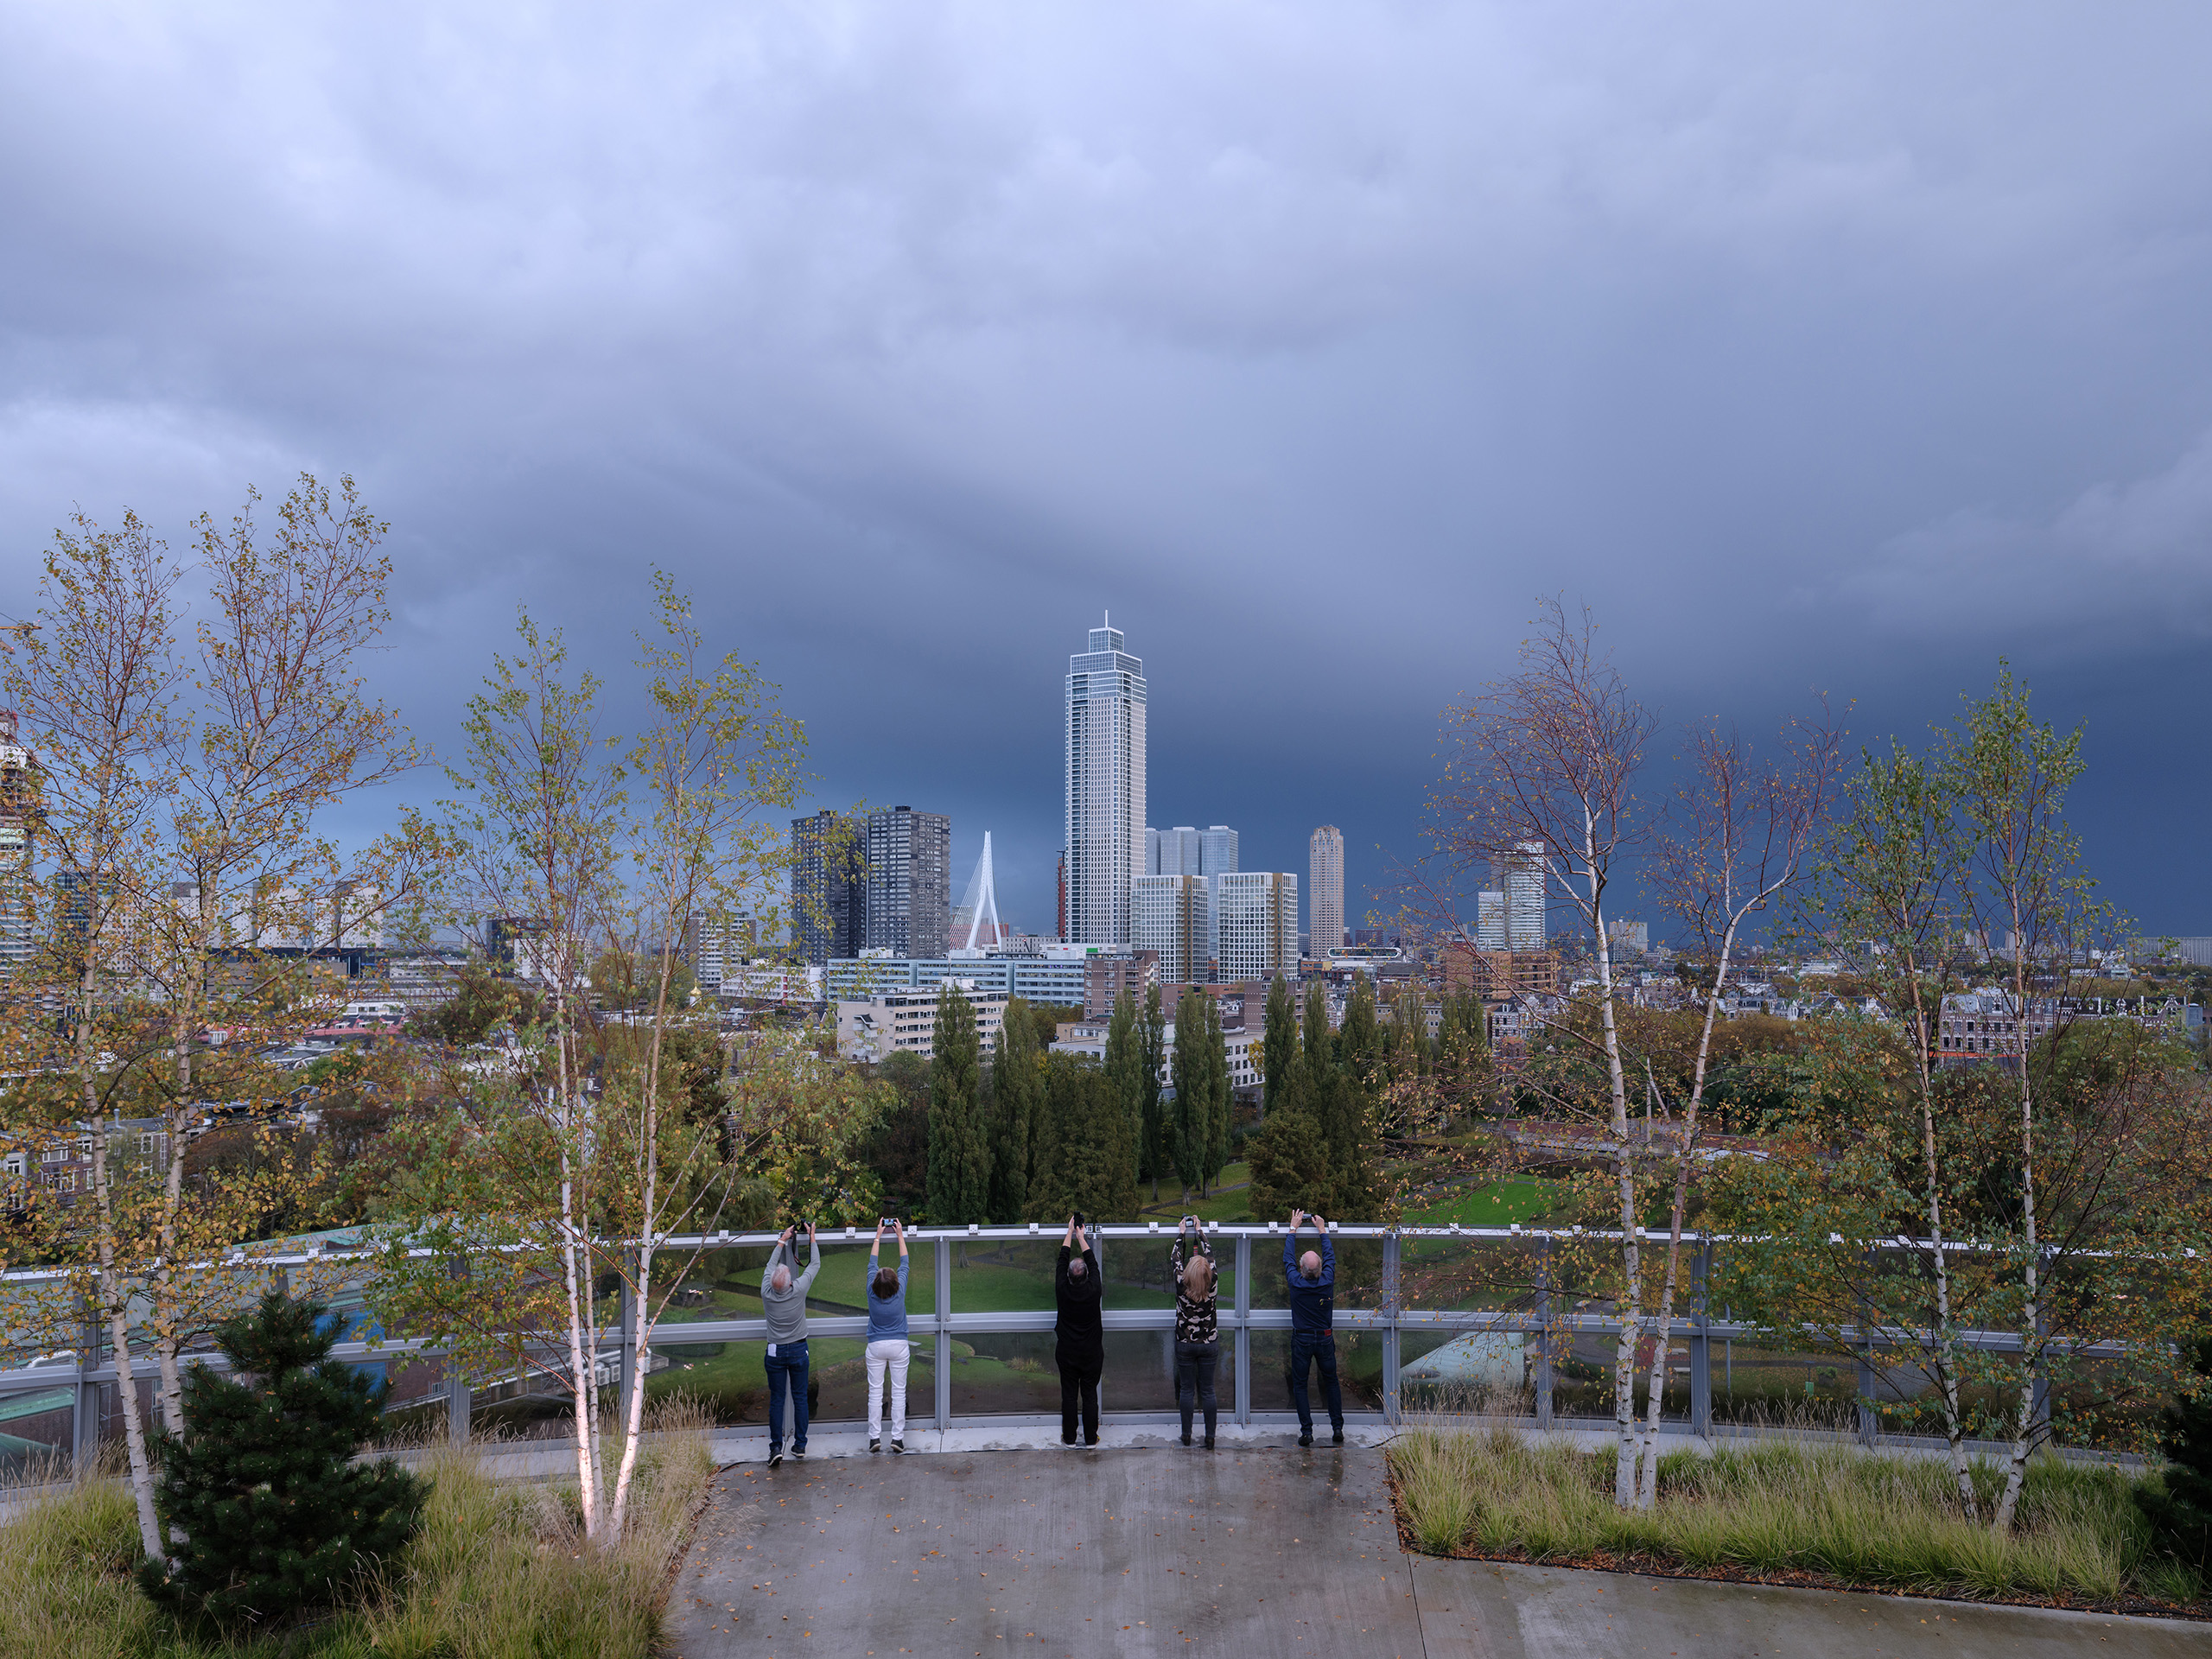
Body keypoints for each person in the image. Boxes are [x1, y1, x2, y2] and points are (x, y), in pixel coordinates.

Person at [761, 1221, 821, 1469]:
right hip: (798, 1349)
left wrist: (783, 1239)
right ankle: (800, 1444)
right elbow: (815, 1265)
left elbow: (769, 1266)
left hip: (774, 1352)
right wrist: (812, 1237)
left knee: (777, 1399)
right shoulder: (798, 1290)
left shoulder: (766, 1292)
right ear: (788, 1283)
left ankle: (776, 1446)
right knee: (800, 1398)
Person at [1284, 1208, 1344, 1447]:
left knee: (1300, 1384)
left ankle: (1307, 1432)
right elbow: (1330, 1257)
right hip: (1325, 1339)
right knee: (1331, 1381)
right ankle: (1337, 1428)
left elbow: (1287, 1258)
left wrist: (1293, 1228)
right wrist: (1322, 1230)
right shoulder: (1327, 1280)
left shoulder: (1295, 1282)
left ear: (1302, 1269)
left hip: (1302, 1341)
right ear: (1320, 1270)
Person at [1168, 1216, 1219, 1448]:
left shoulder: (1181, 1282)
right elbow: (1210, 1255)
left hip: (1185, 1342)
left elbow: (1175, 1257)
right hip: (1209, 1342)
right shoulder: (1213, 1281)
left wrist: (1182, 1233)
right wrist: (1200, 1231)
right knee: (1207, 1390)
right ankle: (1210, 1437)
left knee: (1187, 1389)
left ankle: (1186, 1435)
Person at [1055, 1215, 1103, 1446]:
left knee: (1069, 1395)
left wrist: (1069, 1233)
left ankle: (1070, 1438)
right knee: (1090, 1395)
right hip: (1092, 1353)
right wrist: (1081, 1237)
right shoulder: (1094, 1289)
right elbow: (1092, 1262)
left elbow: (1061, 1261)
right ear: (1086, 1276)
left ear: (1069, 1277)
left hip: (1067, 1353)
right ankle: (1091, 1439)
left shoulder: (1062, 1289)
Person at [866, 1218, 911, 1454]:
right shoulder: (900, 1291)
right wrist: (900, 1234)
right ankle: (898, 1438)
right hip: (899, 1346)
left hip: (875, 1346)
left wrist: (878, 1235)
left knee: (876, 1391)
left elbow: (872, 1263)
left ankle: (874, 1438)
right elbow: (905, 1263)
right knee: (898, 1391)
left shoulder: (870, 1292)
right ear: (895, 1283)